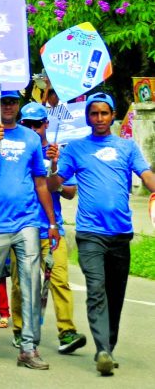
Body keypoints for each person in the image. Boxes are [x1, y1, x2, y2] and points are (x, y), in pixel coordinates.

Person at [49, 92, 155, 376]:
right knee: (96, 289)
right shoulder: (75, 149)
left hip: (121, 233)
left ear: (112, 115)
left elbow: (146, 177)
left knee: (115, 294)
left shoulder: (127, 147)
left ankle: (108, 346)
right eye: (93, 114)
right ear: (87, 117)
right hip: (89, 233)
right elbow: (53, 185)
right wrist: (54, 165)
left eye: (104, 113)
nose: (99, 119)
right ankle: (102, 351)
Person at [0, 91, 60, 370]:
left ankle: (28, 347)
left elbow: (40, 182)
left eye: (11, 101)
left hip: (27, 222)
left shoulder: (31, 138)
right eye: (3, 102)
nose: (7, 106)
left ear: (17, 106)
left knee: (31, 282)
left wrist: (52, 222)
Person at [9, 103, 87, 355]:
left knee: (60, 281)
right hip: (21, 228)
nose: (33, 128)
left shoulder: (58, 153)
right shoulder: (15, 151)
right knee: (22, 284)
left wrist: (53, 167)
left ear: (46, 125)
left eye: (37, 124)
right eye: (27, 124)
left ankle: (66, 331)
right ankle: (20, 330)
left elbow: (69, 192)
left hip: (52, 231)